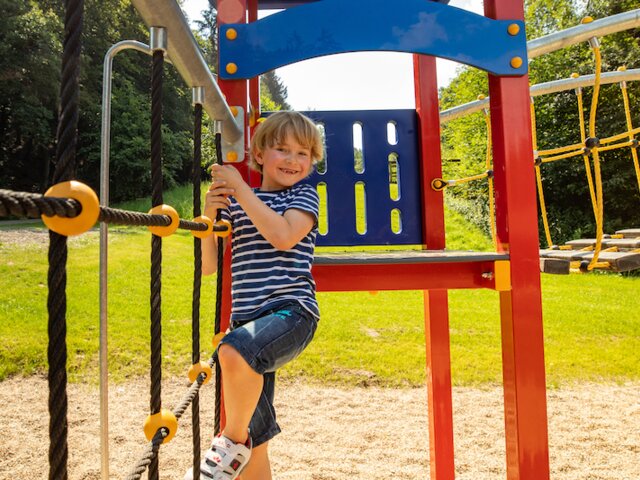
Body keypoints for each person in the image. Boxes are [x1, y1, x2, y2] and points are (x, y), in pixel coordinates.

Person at [185, 111, 324, 480]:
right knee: (256, 444)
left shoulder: (303, 196)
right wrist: (209, 218)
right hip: (247, 320)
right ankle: (240, 446)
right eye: (282, 149)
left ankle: (228, 442)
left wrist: (242, 191)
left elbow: (282, 236)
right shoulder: (242, 203)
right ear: (259, 154)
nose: (293, 160)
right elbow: (210, 266)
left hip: (291, 313)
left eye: (303, 153)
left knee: (231, 349)